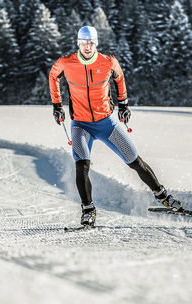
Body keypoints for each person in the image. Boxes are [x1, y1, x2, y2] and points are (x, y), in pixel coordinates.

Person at [49, 25, 182, 226]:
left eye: (91, 42)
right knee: (82, 164)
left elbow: (119, 77)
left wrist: (124, 104)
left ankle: (163, 196)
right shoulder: (67, 63)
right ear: (78, 43)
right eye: (83, 43)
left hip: (107, 123)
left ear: (96, 43)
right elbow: (53, 76)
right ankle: (88, 210)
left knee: (134, 160)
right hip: (81, 125)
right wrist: (57, 105)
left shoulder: (108, 62)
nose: (87, 47)